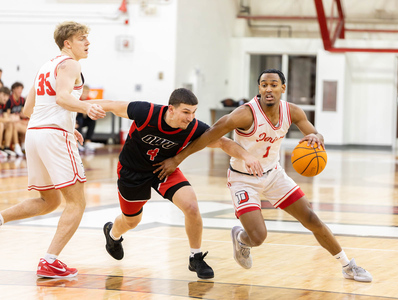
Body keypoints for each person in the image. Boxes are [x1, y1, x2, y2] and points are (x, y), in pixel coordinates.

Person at [154, 69, 373, 282]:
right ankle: (241, 238)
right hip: (243, 179)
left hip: (274, 174)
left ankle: (348, 265)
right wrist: (177, 159)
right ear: (259, 88)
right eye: (264, 85)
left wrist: (317, 137)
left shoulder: (293, 111)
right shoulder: (244, 114)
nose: (268, 89)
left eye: (274, 85)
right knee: (258, 237)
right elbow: (209, 136)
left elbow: (314, 132)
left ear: (282, 88)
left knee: (311, 218)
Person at [89, 88, 263, 280]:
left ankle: (195, 257)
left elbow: (221, 142)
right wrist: (80, 107)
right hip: (133, 171)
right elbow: (113, 105)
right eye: (186, 112)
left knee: (191, 206)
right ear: (171, 109)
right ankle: (112, 234)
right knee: (131, 221)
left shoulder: (193, 128)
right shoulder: (145, 112)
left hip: (165, 169)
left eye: (194, 112)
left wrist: (246, 156)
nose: (190, 117)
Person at [0, 21, 106, 279]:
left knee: (49, 200)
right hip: (52, 136)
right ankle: (50, 260)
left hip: (36, 134)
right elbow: (62, 97)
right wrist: (85, 108)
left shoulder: (45, 66)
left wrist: (65, 124)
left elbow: (29, 109)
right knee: (76, 202)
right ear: (67, 43)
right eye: (82, 38)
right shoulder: (71, 64)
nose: (88, 42)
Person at [8, 82, 28, 156]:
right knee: (15, 123)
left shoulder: (22, 99)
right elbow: (7, 114)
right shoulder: (9, 99)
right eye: (18, 88)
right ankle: (17, 146)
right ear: (13, 90)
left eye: (21, 89)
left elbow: (23, 114)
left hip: (18, 120)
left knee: (26, 123)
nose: (20, 91)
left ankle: (23, 145)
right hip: (11, 120)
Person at [75, 85, 97, 151]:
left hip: (85, 118)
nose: (85, 94)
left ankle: (88, 141)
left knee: (92, 121)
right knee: (79, 120)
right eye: (83, 92)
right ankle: (78, 142)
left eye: (86, 92)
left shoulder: (89, 100)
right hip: (77, 118)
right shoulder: (77, 99)